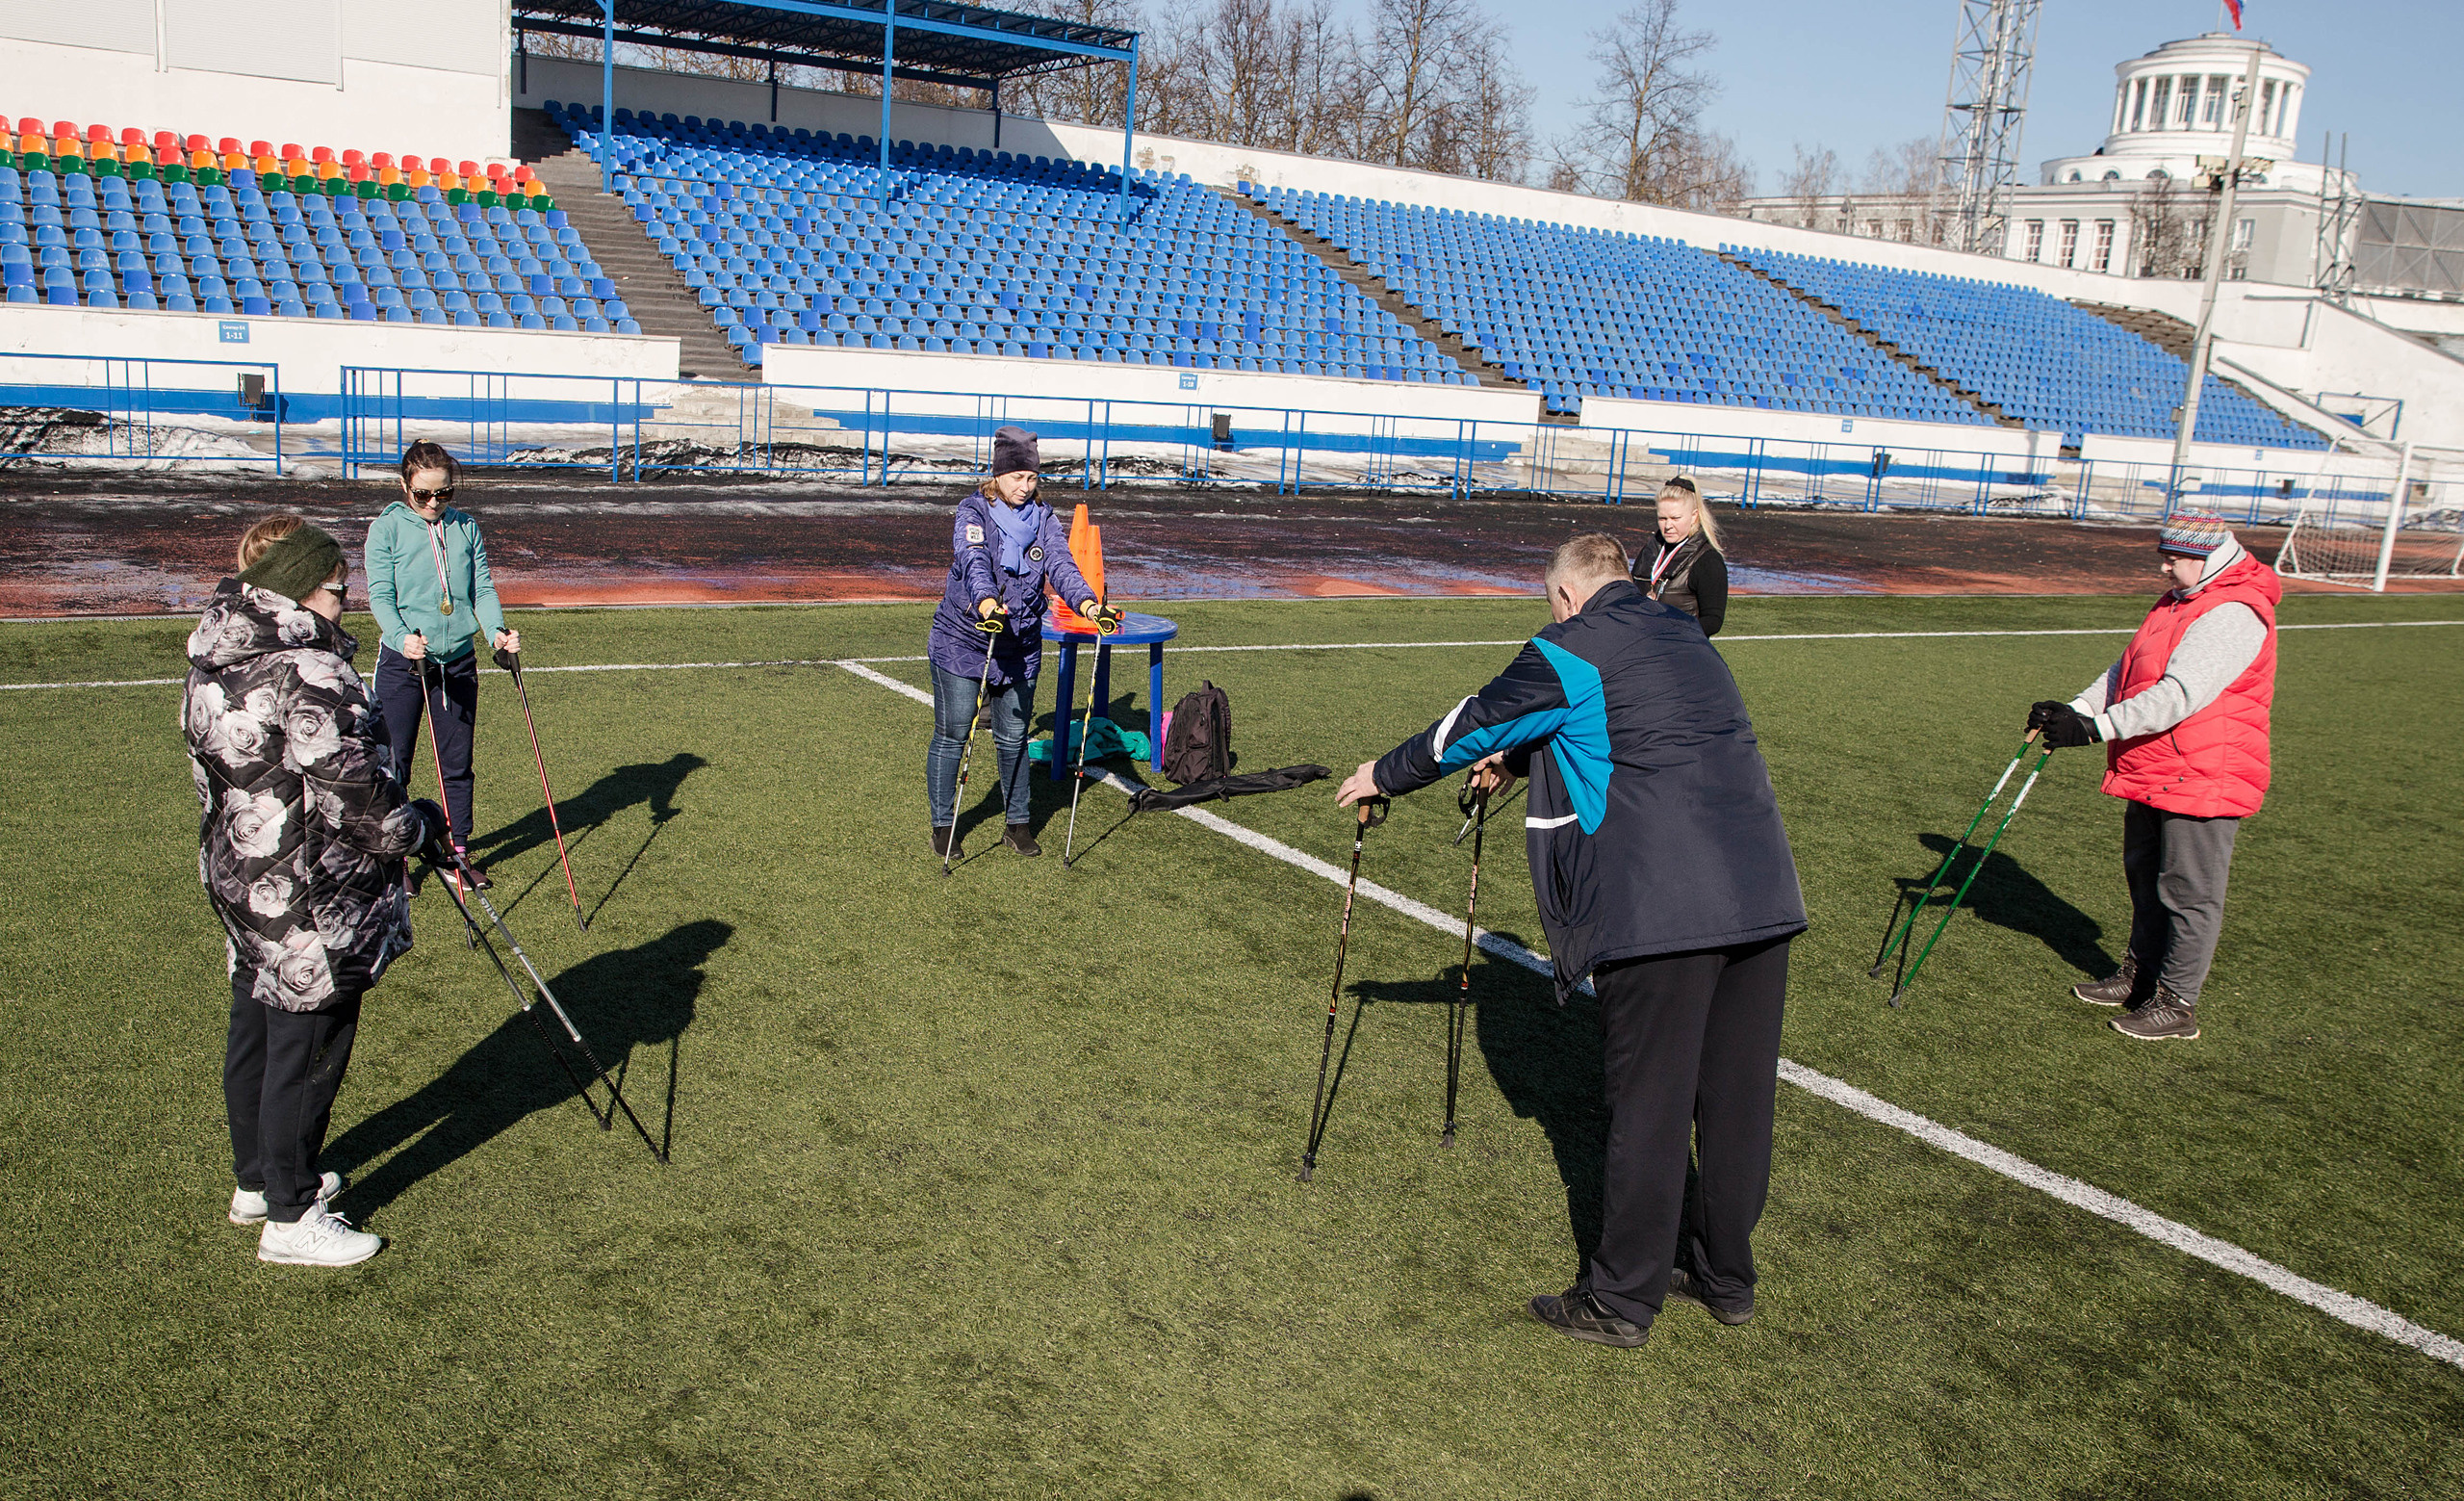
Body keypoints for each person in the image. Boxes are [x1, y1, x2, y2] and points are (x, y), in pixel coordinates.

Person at [1335, 532, 1806, 1348]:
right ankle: (1726, 1276)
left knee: (1649, 1105)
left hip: (1664, 905)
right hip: (1763, 890)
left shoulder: (1570, 643)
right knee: (1736, 1102)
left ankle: (1622, 1298)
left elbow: (1472, 722)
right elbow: (1624, 727)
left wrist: (1385, 771)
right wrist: (1523, 762)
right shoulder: (1681, 633)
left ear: (1563, 596)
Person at [186, 515, 446, 1267]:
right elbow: (365, 808)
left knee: (259, 1027)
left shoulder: (215, 654)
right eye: (338, 586)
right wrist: (420, 825)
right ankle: (292, 1214)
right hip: (312, 897)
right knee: (306, 1046)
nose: (347, 599)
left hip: (245, 880)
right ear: (302, 589)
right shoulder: (309, 669)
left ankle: (260, 1182)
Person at [2027, 513, 2280, 1043]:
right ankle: (2141, 976)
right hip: (2156, 763)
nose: (2164, 567)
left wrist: (2094, 729)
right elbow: (2125, 671)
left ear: (2208, 558)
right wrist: (2072, 710)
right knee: (2145, 878)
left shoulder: (2233, 611)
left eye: (2174, 558)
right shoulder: (2176, 602)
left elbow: (2178, 695)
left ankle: (2177, 1001)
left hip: (2205, 770)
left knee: (2189, 891)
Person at [925, 426, 1118, 858]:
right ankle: (944, 824)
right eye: (1017, 478)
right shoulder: (972, 511)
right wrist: (987, 602)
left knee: (1012, 737)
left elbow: (1063, 565)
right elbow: (973, 561)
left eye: (1032, 478)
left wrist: (1089, 605)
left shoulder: (1045, 517)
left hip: (1021, 646)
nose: (1025, 487)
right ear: (998, 476)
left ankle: (1018, 823)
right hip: (964, 640)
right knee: (953, 734)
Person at [365, 440, 519, 889]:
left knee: (457, 762)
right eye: (424, 495)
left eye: (444, 494)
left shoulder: (466, 528)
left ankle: (457, 854)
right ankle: (397, 862)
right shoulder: (387, 529)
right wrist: (400, 637)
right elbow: (380, 595)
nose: (434, 503)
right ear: (404, 486)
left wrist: (496, 631)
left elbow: (483, 590)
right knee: (396, 763)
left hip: (457, 662)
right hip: (403, 662)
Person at [1631, 476, 1728, 636]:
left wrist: (1673, 631)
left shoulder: (1708, 560)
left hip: (1681, 651)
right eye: (1662, 518)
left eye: (1676, 518)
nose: (1668, 526)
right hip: (1643, 645)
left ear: (1694, 516)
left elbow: (1713, 620)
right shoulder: (1650, 550)